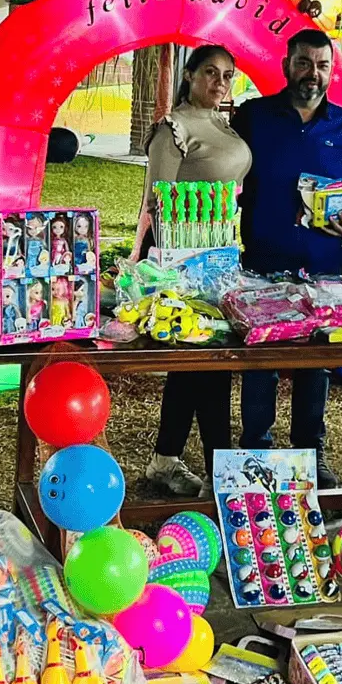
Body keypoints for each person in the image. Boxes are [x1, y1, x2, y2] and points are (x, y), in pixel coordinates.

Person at [232, 29, 342, 490]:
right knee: (262, 364)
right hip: (262, 264)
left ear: (331, 71)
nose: (312, 74)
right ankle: (256, 450)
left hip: (324, 266)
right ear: (286, 65)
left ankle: (310, 453)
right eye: (303, 63)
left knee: (316, 363)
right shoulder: (253, 116)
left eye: (321, 65)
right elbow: (224, 168)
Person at [140, 45, 253, 497]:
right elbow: (158, 202)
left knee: (195, 369)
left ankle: (165, 460)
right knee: (207, 366)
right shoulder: (174, 129)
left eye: (227, 75)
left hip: (222, 258)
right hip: (184, 264)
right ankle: (219, 472)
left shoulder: (223, 123)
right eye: (210, 72)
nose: (220, 82)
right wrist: (183, 271)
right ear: (189, 75)